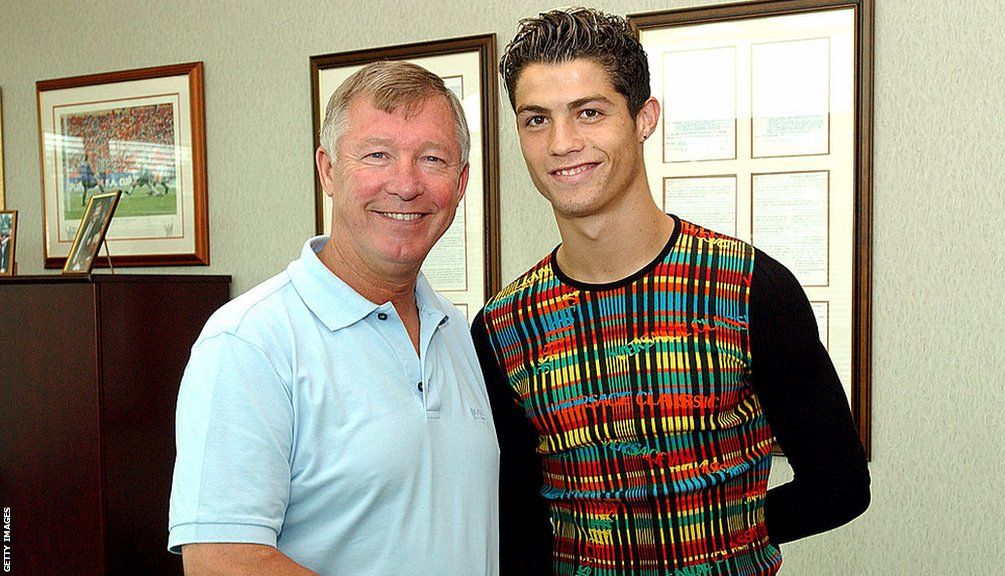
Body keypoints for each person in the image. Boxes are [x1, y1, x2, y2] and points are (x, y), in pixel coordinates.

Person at [471, 8, 870, 576]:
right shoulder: (502, 327)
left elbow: (841, 485)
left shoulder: (751, 287)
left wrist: (718, 538)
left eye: (589, 112)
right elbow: (517, 523)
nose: (562, 143)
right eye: (536, 119)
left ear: (644, 118)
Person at [169, 61, 498, 576]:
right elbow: (220, 561)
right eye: (377, 156)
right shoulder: (249, 342)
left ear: (460, 183)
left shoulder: (457, 332)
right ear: (327, 170)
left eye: (431, 159)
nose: (405, 184)